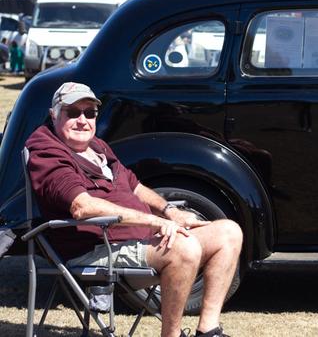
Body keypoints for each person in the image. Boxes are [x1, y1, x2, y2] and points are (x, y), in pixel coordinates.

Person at [26, 82, 242, 337]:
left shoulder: (97, 147)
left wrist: (169, 211)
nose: (82, 120)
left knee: (229, 232)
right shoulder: (47, 151)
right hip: (95, 249)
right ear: (54, 115)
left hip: (135, 241)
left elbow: (135, 186)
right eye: (72, 113)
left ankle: (208, 330)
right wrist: (155, 222)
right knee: (184, 248)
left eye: (90, 113)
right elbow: (81, 206)